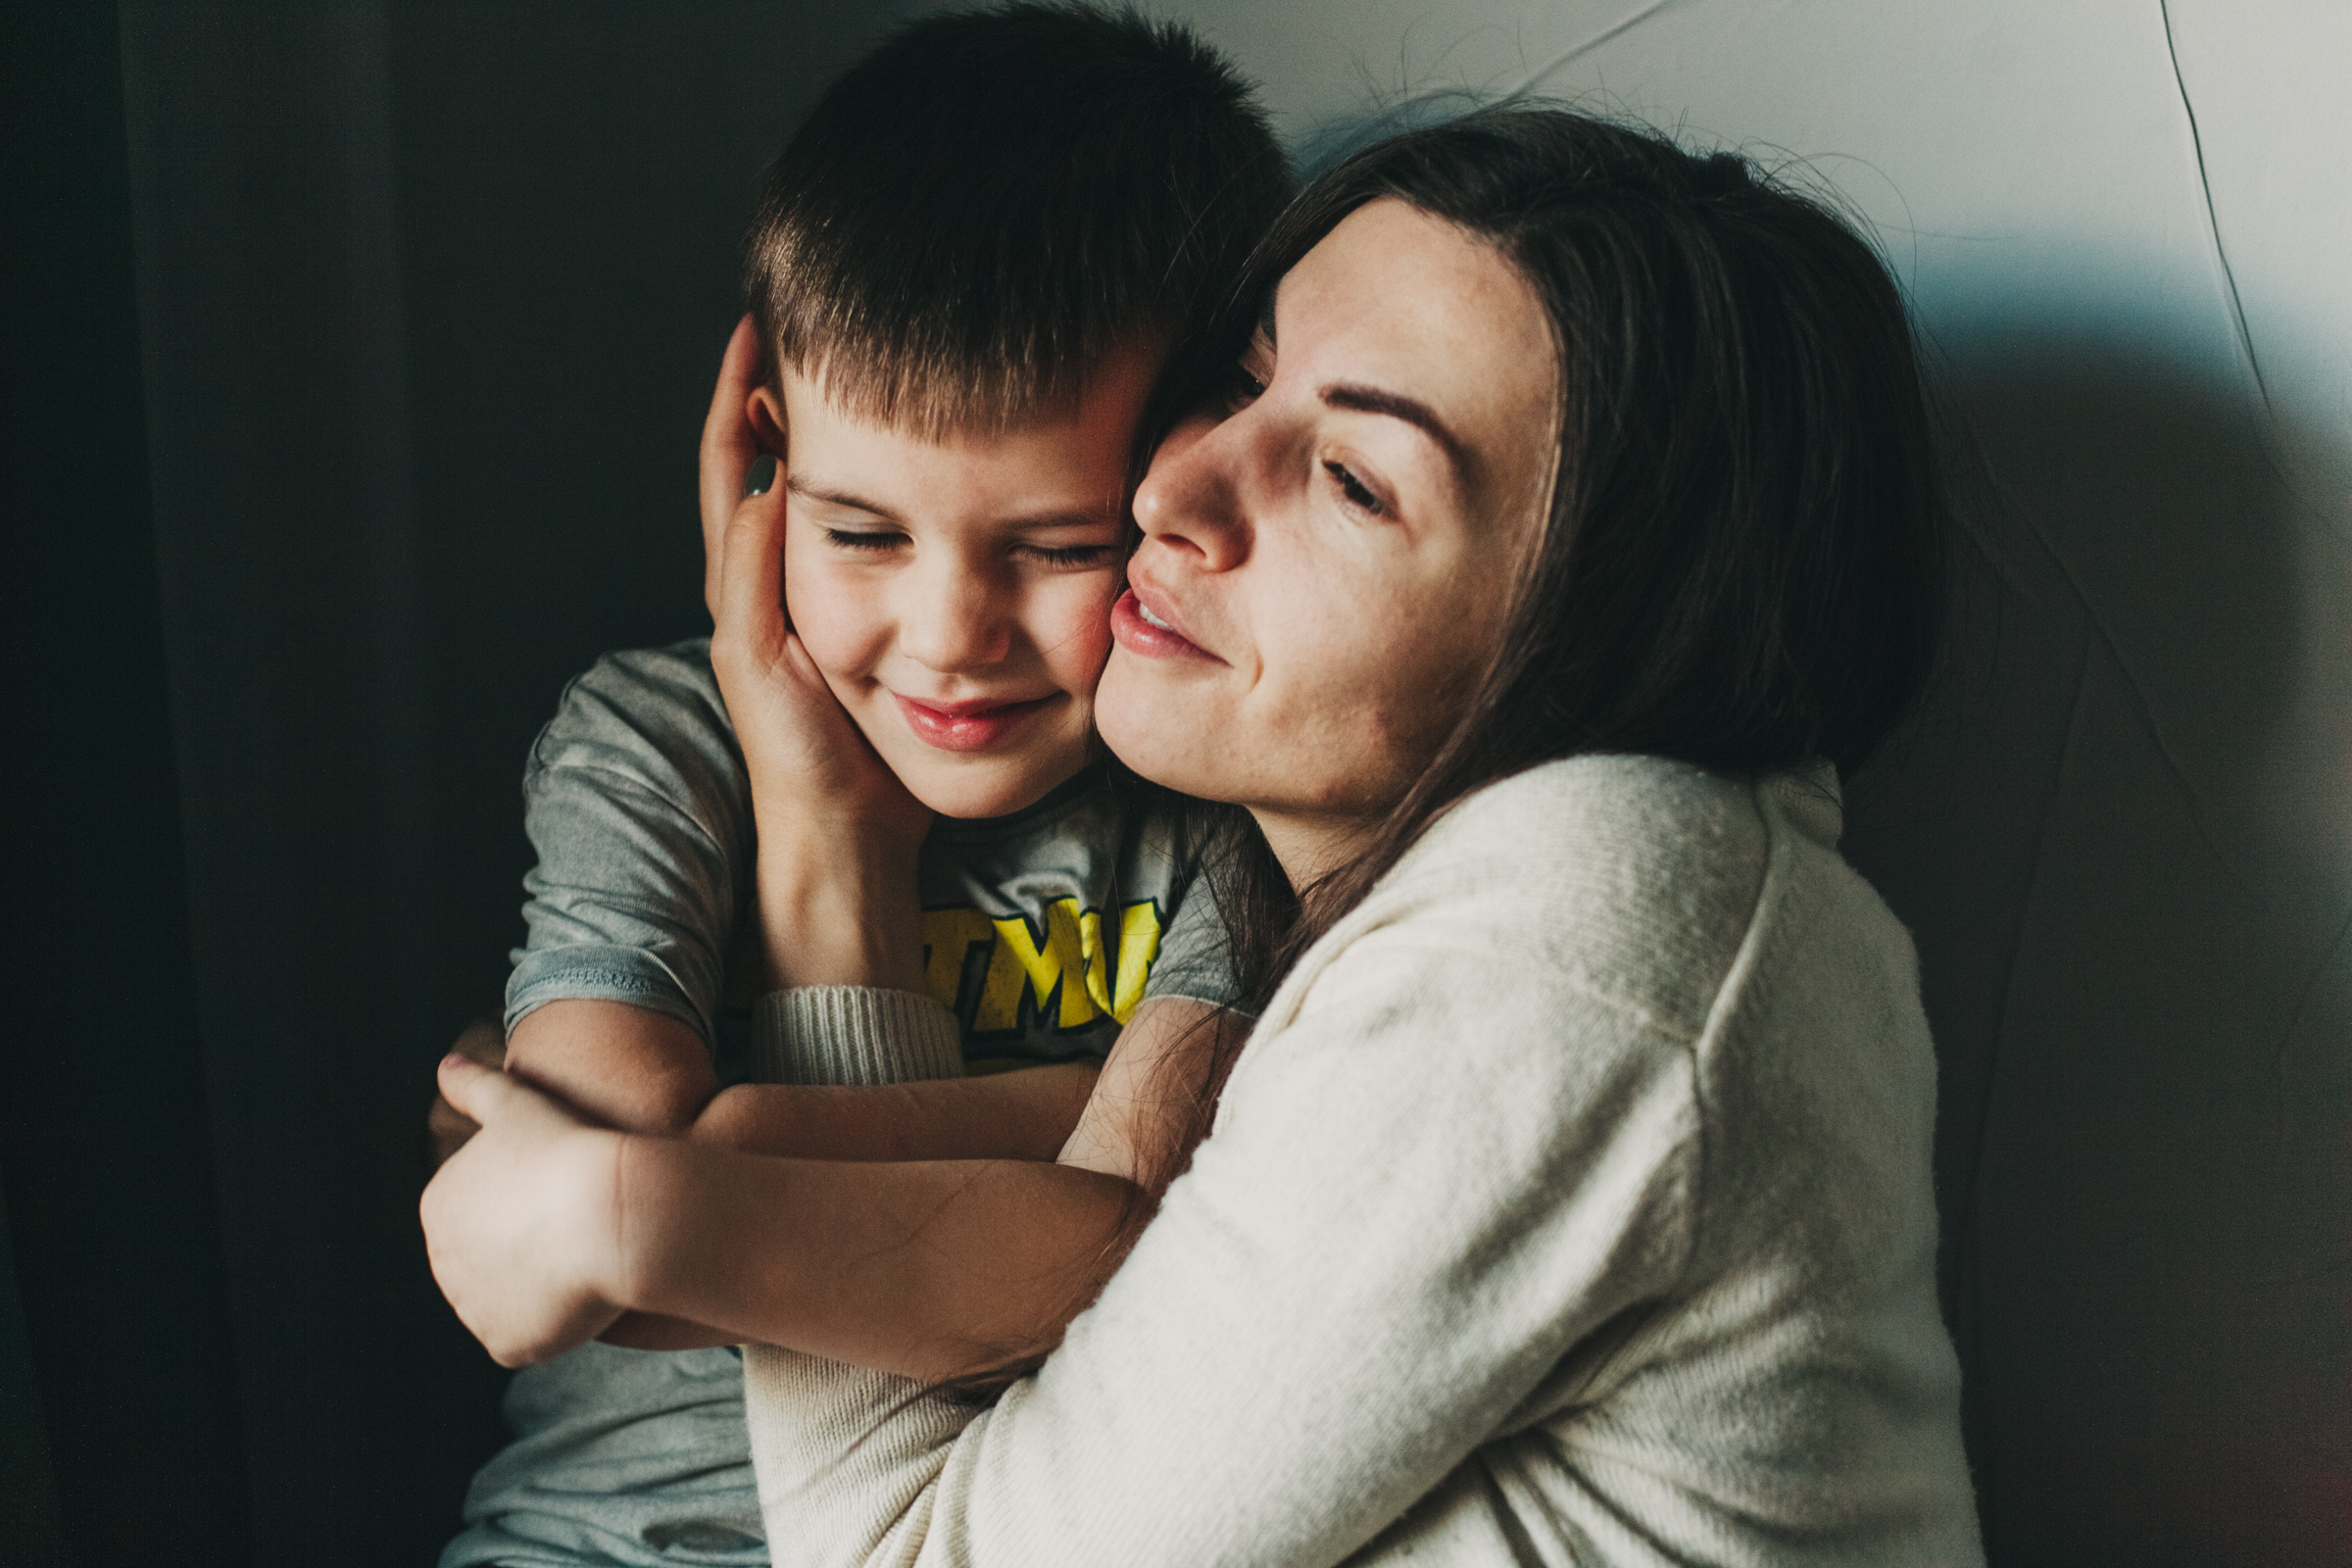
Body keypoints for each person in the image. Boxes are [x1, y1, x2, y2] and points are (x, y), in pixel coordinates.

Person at [426, 108, 1985, 1564]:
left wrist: (648, 1203)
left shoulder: (1586, 922)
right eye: (1242, 379)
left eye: (1356, 481)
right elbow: (1100, 1201)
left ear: (1601, 633)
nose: (1174, 487)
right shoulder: (1430, 903)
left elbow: (915, 1548)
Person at [429, 8, 1287, 1565]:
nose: (950, 640)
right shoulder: (656, 743)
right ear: (762, 460)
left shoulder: (1223, 807)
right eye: (861, 532)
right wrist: (1052, 1164)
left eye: (1058, 546)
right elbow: (592, 1237)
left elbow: (1149, 1229)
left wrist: (712, 1149)